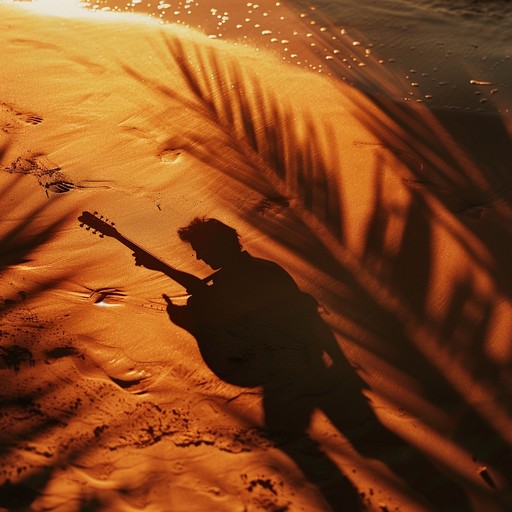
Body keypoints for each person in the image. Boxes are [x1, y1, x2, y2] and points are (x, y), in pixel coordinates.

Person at [133, 217, 470, 511]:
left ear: (222, 245)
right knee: (343, 441)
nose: (199, 256)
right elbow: (209, 295)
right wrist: (164, 272)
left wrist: (339, 364)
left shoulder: (257, 276)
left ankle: (443, 499)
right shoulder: (245, 275)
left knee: (361, 443)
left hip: (304, 373)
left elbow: (306, 319)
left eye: (201, 249)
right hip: (299, 373)